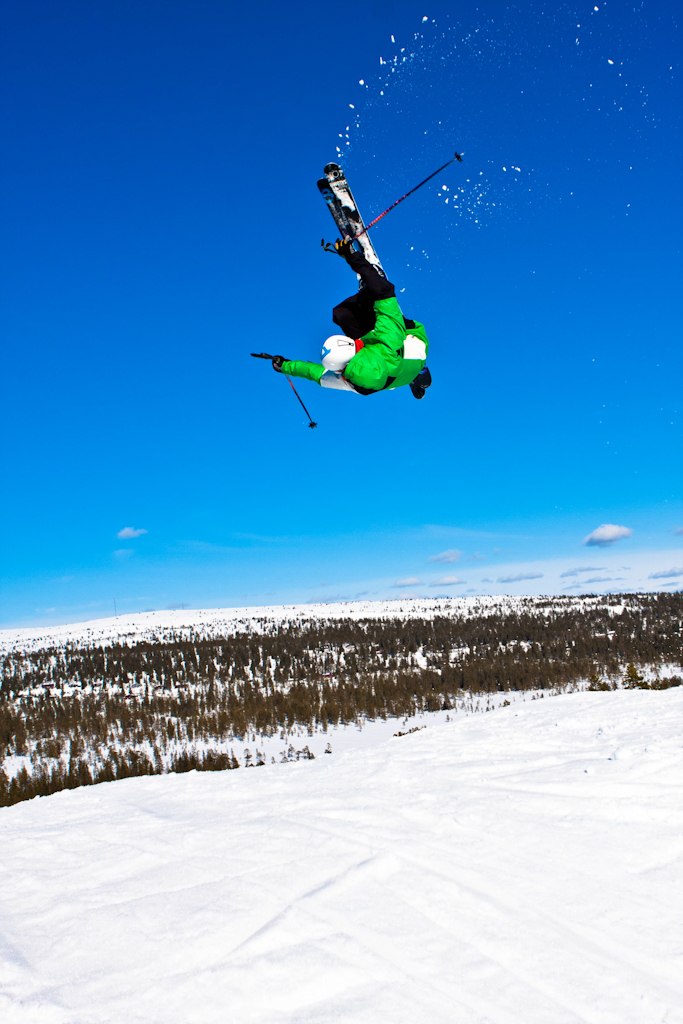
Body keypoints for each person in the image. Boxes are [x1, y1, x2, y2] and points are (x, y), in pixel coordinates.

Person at [271, 239, 432, 399]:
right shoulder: (386, 341)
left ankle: (414, 376)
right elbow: (385, 291)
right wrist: (351, 256)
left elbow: (316, 374)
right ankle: (369, 290)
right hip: (412, 345)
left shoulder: (349, 381)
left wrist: (285, 366)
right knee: (370, 306)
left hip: (397, 374)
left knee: (341, 315)